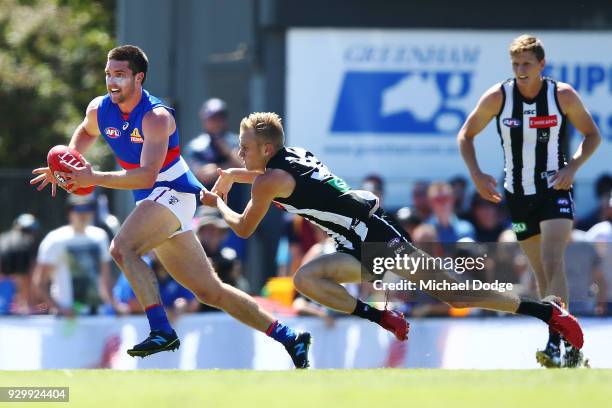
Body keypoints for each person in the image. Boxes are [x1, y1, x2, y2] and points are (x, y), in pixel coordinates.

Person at [202, 111, 585, 357]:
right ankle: (385, 319)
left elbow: (244, 227)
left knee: (456, 293)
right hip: (356, 239)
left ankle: (547, 311)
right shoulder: (289, 157)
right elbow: (283, 182)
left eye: (246, 147)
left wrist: (216, 201)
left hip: (375, 238)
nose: (239, 151)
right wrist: (238, 175)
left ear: (266, 148)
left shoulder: (268, 181)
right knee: (306, 278)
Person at [30, 45, 310, 368]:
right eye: (108, 74)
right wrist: (65, 161)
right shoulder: (99, 109)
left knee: (122, 248)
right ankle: (290, 336)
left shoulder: (156, 117)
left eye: (120, 75)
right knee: (210, 291)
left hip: (174, 190)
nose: (112, 82)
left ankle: (161, 329)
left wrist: (92, 175)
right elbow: (84, 132)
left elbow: (146, 176)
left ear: (139, 78)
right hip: (155, 199)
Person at [457, 34, 601, 367]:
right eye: (516, 64)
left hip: (555, 188)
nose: (521, 71)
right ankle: (565, 338)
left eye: (527, 64)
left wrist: (573, 167)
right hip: (518, 193)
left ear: (541, 65)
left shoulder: (561, 95)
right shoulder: (499, 96)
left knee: (553, 261)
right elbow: (466, 134)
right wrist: (477, 174)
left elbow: (592, 134)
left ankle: (559, 343)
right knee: (539, 272)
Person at [31, 195, 113, 316]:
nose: (84, 214)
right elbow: (39, 282)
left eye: (89, 208)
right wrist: (58, 308)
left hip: (97, 315)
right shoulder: (55, 239)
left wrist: (113, 304)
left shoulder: (100, 237)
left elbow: (106, 278)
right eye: (79, 209)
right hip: (66, 318)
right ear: (69, 212)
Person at [184, 98, 242, 189]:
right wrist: (230, 167)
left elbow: (245, 167)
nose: (217, 123)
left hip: (235, 201)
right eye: (213, 119)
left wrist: (228, 153)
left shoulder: (238, 142)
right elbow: (203, 176)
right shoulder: (195, 146)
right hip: (206, 200)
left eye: (220, 118)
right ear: (205, 121)